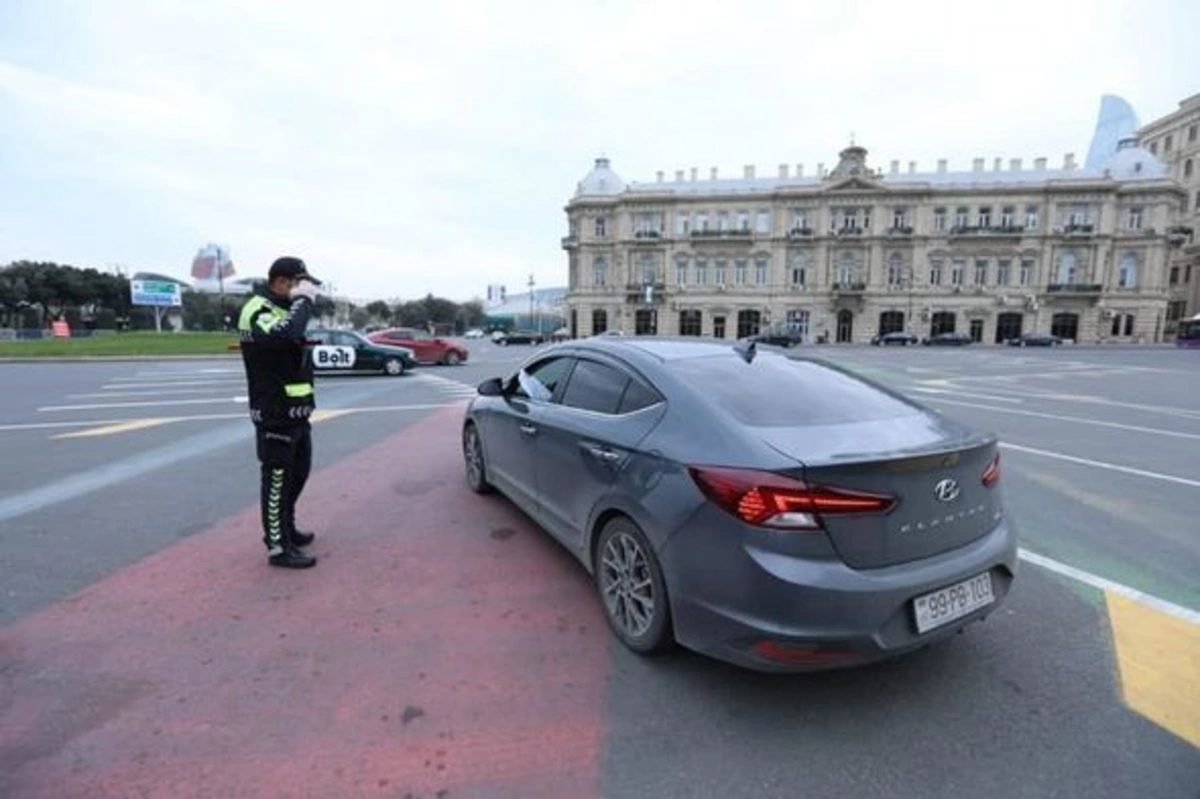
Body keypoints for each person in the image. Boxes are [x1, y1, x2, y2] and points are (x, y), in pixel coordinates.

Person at [237, 256, 323, 569]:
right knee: (276, 480)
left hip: (297, 411)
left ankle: (286, 528)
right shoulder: (256, 309)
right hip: (274, 411)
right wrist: (302, 302)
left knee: (298, 474)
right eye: (299, 283)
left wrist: (299, 302)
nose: (304, 291)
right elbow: (285, 335)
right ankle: (277, 546)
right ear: (281, 282)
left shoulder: (286, 307)